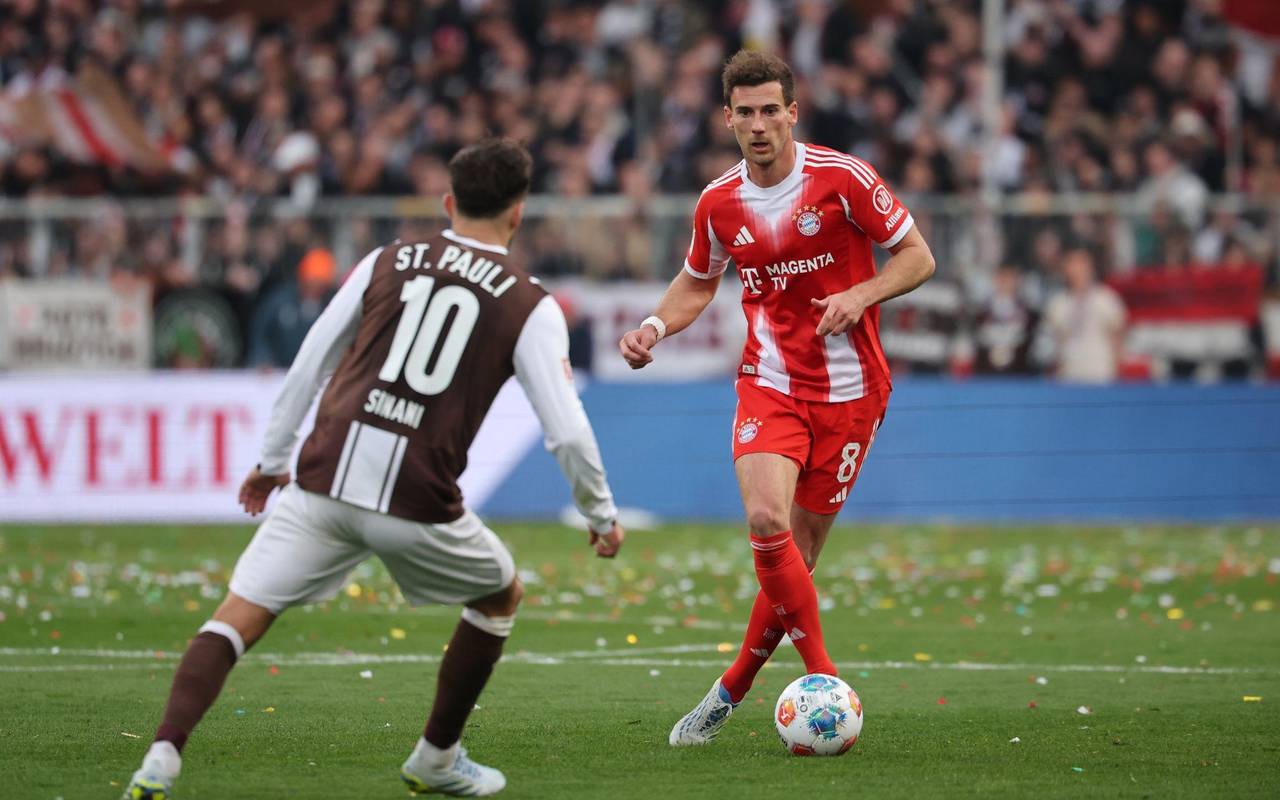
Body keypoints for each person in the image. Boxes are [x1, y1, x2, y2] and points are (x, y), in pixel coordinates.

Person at [122, 138, 624, 799]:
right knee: (500, 594)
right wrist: (600, 514)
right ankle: (437, 758)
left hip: (324, 479)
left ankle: (161, 754)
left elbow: (312, 359)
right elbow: (566, 430)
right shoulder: (529, 305)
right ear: (519, 214)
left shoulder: (386, 260)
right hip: (416, 499)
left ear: (448, 203)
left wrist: (272, 461)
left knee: (239, 613)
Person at [618, 50, 935, 746]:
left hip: (854, 393)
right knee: (766, 519)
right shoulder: (719, 201)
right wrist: (651, 325)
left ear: (793, 112)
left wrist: (861, 293)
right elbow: (698, 282)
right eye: (745, 113)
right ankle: (826, 680)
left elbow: (917, 257)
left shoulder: (843, 179)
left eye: (771, 110)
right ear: (727, 119)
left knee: (798, 554)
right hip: (771, 382)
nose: (759, 125)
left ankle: (730, 687)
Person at [1043, 246, 1127, 383]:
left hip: (1100, 373)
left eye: (1081, 263)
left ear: (1090, 266)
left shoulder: (1106, 299)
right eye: (1071, 263)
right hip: (1069, 374)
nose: (1076, 269)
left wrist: (1117, 370)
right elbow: (1056, 343)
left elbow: (1118, 338)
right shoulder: (1058, 303)